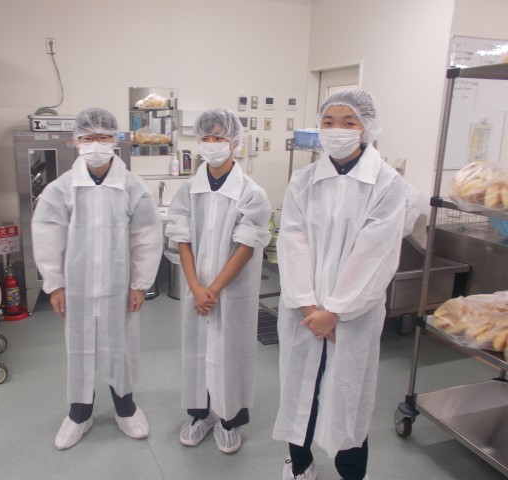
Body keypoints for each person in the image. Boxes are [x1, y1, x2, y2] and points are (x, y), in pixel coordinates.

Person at [273, 89, 419, 480]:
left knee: (348, 392)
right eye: (329, 122)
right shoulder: (304, 180)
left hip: (354, 314)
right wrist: (310, 307)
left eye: (348, 122)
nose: (337, 130)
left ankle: (350, 472)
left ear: (366, 128)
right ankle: (300, 463)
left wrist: (335, 311)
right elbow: (293, 240)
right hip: (304, 312)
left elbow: (375, 252)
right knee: (300, 386)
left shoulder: (386, 184)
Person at [32, 107, 163, 450]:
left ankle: (125, 406)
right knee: (79, 346)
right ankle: (80, 412)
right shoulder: (62, 188)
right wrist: (54, 284)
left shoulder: (133, 187)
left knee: (121, 345)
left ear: (115, 140)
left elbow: (147, 237)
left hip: (119, 286)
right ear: (76, 141)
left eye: (103, 137)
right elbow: (47, 236)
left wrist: (140, 284)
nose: (96, 144)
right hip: (77, 287)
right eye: (88, 138)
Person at [165, 108, 272, 454]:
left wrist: (213, 290)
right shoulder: (188, 190)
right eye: (207, 137)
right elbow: (181, 239)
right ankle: (200, 415)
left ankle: (229, 420)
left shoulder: (252, 193)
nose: (212, 143)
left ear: (235, 142)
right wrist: (196, 288)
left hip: (233, 290)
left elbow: (246, 246)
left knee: (232, 350)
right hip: (196, 288)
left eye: (220, 137)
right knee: (197, 348)